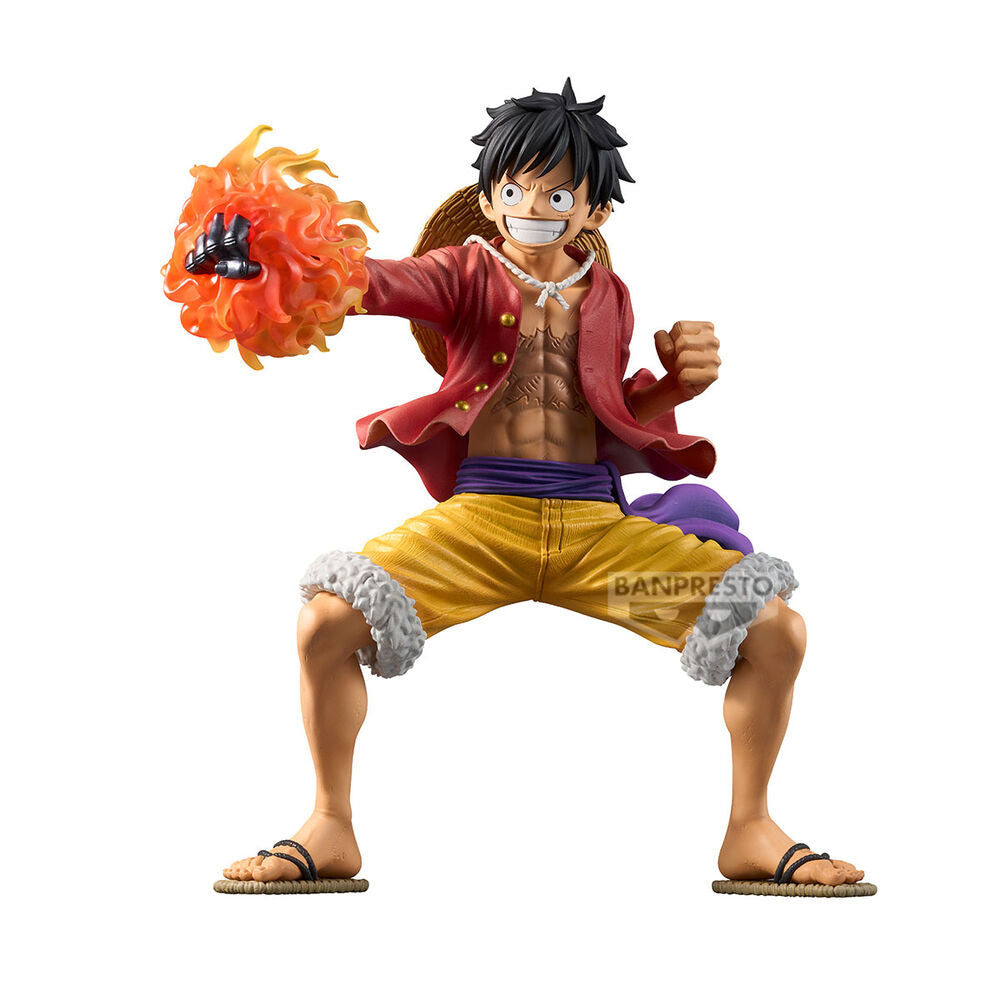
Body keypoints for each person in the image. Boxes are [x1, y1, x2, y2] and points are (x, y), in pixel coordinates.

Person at [205, 80, 865, 891]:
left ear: (597, 210)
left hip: (601, 550)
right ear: (487, 199)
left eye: (557, 193)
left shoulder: (610, 295)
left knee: (774, 630)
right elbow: (369, 283)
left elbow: (607, 408)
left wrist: (675, 385)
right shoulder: (461, 272)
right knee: (326, 624)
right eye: (514, 190)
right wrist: (275, 259)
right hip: (480, 535)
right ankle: (330, 824)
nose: (532, 208)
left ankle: (750, 828)